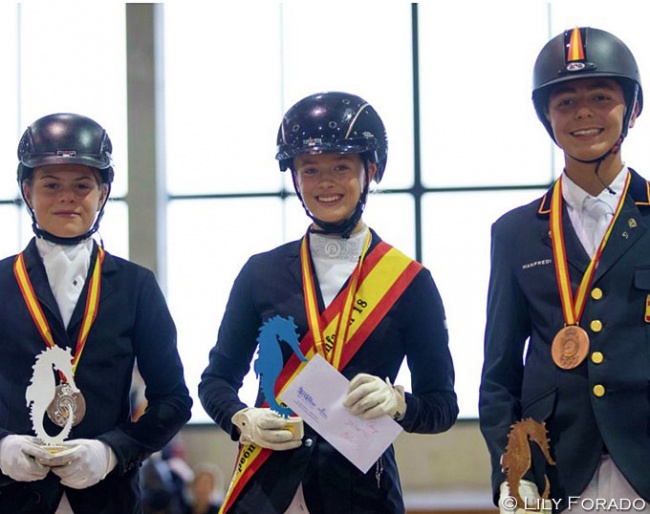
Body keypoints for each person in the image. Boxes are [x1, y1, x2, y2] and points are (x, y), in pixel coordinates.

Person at [198, 91, 458, 514]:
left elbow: (443, 406)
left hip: (362, 495)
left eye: (341, 166)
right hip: (265, 489)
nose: (325, 182)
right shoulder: (259, 272)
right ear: (295, 178)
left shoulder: (410, 282)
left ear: (370, 170)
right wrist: (241, 419)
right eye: (310, 169)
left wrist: (399, 403)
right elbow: (216, 381)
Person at [479, 27, 650, 512]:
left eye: (601, 97)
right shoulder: (513, 233)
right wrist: (512, 473)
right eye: (565, 102)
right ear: (546, 117)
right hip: (555, 474)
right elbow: (499, 374)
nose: (583, 114)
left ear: (632, 109)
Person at [0, 113, 193, 513]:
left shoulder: (137, 285)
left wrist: (112, 451)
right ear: (26, 190)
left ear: (103, 193)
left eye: (82, 185)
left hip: (107, 497)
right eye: (51, 185)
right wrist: (1, 446)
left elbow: (172, 399)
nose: (67, 197)